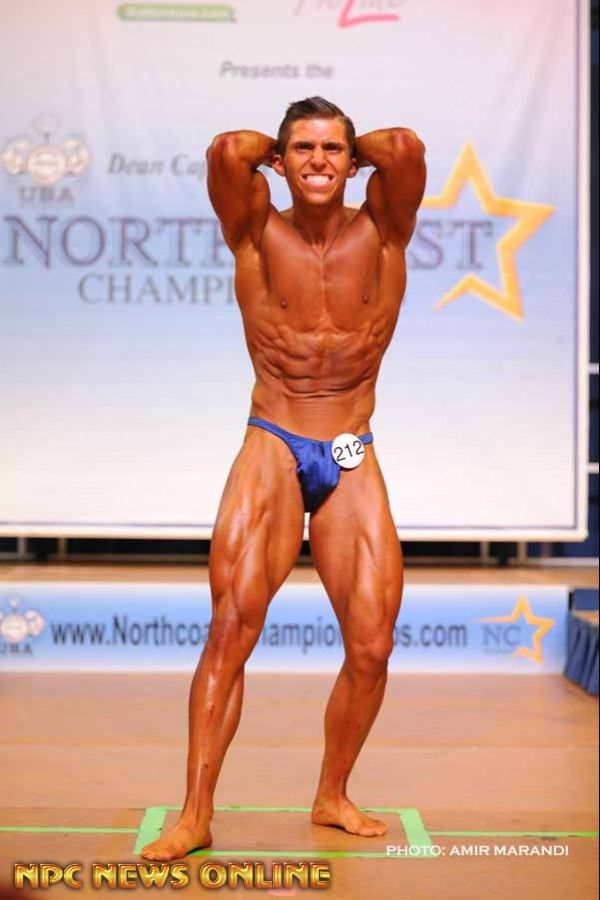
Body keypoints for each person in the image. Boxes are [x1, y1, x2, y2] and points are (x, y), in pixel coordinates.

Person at [141, 97, 426, 861]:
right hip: (272, 439)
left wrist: (348, 149)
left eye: (333, 149)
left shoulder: (385, 229)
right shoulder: (253, 230)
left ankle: (332, 793)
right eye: (303, 149)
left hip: (349, 449)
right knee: (231, 628)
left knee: (372, 645)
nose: (319, 161)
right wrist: (277, 148)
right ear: (280, 160)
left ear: (354, 161)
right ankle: (195, 814)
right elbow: (224, 150)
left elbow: (404, 146)